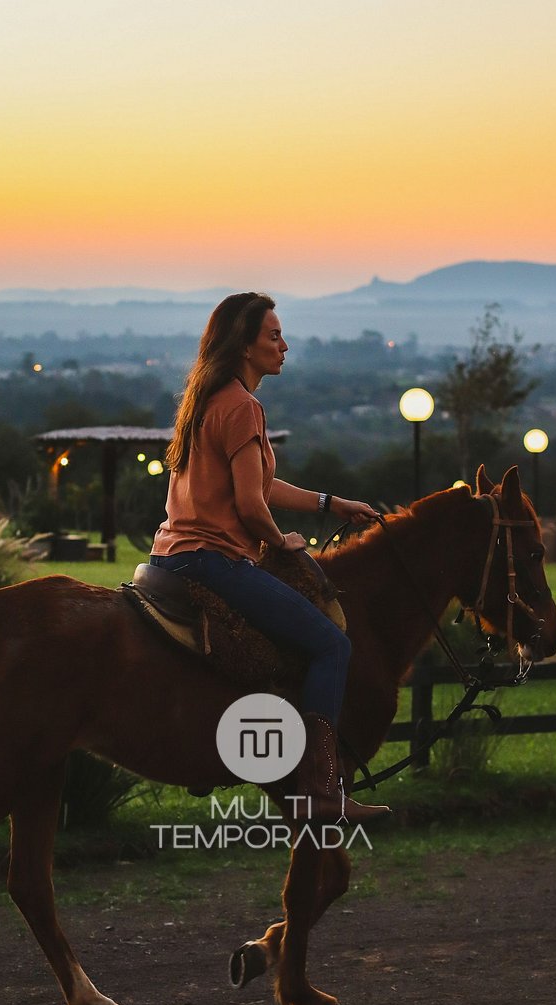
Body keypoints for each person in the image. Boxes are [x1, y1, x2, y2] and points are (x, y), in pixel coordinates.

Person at [150, 292, 388, 825]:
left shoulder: (207, 399)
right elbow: (251, 505)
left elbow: (261, 484)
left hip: (170, 555)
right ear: (244, 344)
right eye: (273, 336)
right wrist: (281, 542)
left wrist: (330, 503)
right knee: (332, 645)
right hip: (213, 559)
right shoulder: (242, 406)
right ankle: (322, 786)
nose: (284, 346)